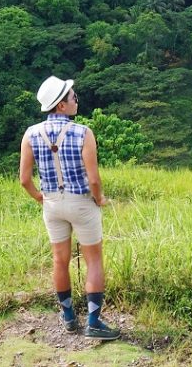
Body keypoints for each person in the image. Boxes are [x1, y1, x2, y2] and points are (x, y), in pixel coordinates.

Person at [19, 75, 121, 340]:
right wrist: (100, 200)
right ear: (61, 106)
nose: (76, 99)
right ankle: (94, 322)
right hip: (81, 204)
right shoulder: (84, 133)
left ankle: (68, 318)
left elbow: (24, 180)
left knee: (59, 260)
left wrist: (41, 198)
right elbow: (94, 179)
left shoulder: (30, 134)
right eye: (72, 96)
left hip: (52, 204)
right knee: (94, 260)